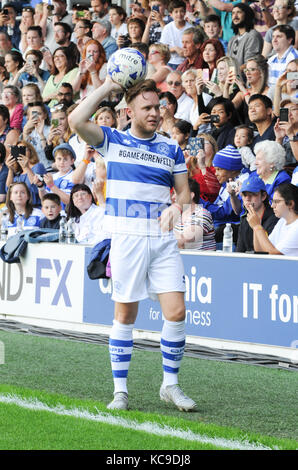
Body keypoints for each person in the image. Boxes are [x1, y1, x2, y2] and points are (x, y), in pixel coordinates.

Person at [69, 77, 197, 412]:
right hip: (126, 239)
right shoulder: (113, 140)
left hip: (162, 240)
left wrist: (176, 207)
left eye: (158, 106)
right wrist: (108, 84)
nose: (156, 112)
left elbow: (184, 192)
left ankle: (170, 385)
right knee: (125, 315)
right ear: (130, 111)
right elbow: (76, 121)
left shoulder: (171, 148)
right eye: (148, 108)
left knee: (177, 311)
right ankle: (120, 392)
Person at [247, 182, 298, 255]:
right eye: (272, 202)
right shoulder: (282, 221)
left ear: (290, 204)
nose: (272, 206)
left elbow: (274, 254)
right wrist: (256, 228)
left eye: (276, 202)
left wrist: (257, 227)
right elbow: (261, 250)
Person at [236, 174, 278, 252]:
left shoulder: (274, 218)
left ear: (263, 196)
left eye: (252, 194)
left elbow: (269, 252)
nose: (247, 199)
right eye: (244, 195)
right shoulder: (245, 219)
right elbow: (239, 251)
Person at [174, 177, 216, 250]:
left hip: (200, 260)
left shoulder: (202, 214)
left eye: (177, 193)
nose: (173, 197)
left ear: (191, 195)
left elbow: (185, 242)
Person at [5, 139, 47, 208]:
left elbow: (37, 188)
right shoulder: (18, 173)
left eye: (24, 149)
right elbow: (9, 191)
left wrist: (27, 167)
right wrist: (10, 169)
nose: (21, 152)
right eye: (17, 150)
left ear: (30, 152)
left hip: (35, 207)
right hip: (20, 209)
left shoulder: (38, 166)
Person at [36, 143, 75, 209]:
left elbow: (69, 200)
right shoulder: (53, 176)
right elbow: (45, 198)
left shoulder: (74, 176)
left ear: (72, 161)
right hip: (54, 214)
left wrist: (52, 186)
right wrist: (40, 186)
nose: (62, 162)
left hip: (67, 214)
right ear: (55, 161)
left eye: (65, 159)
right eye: (59, 159)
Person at [187, 133, 221, 203]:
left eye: (203, 142)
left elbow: (213, 190)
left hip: (206, 206)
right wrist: (182, 165)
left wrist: (202, 165)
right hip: (186, 204)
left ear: (213, 147)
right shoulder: (188, 166)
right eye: (197, 142)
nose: (200, 146)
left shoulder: (218, 167)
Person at [160, 0, 192, 69]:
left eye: (181, 11)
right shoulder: (167, 28)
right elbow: (163, 49)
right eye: (176, 12)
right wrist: (175, 49)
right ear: (171, 14)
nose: (179, 14)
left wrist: (186, 52)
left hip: (187, 61)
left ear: (185, 12)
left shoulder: (191, 28)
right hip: (171, 62)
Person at [23, 101, 52, 171]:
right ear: (28, 117)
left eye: (38, 113)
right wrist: (25, 133)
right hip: (31, 170)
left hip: (48, 169)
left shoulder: (50, 130)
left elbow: (50, 155)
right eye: (33, 114)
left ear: (45, 115)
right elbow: (24, 154)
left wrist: (42, 136)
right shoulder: (25, 132)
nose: (35, 117)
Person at [268, 24, 298, 89]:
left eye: (278, 36)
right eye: (273, 37)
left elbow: (293, 87)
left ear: (289, 40)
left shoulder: (294, 58)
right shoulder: (271, 60)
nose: (274, 40)